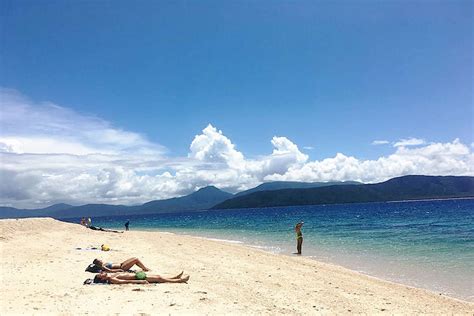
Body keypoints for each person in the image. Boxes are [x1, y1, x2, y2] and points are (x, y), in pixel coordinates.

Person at [93, 271, 189, 284]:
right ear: (101, 278)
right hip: (137, 278)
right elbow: (124, 282)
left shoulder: (110, 275)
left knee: (158, 276)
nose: (102, 272)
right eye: (100, 274)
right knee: (159, 279)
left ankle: (174, 277)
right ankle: (179, 280)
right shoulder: (112, 279)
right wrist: (140, 281)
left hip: (138, 275)